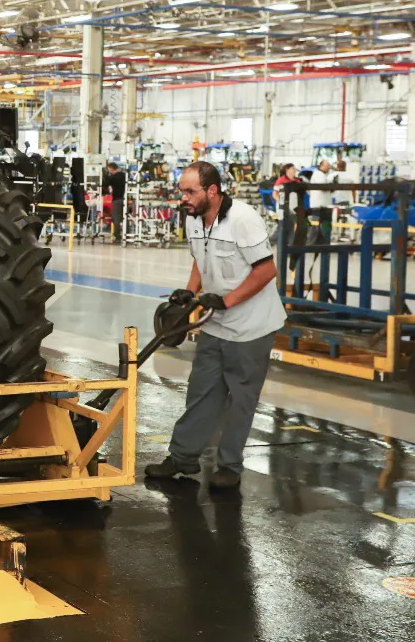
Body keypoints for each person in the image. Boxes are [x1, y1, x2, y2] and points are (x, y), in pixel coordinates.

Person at [145, 161, 286, 489]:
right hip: (215, 323)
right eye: (182, 191)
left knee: (240, 399)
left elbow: (266, 271)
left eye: (190, 191)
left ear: (213, 190)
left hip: (251, 327)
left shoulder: (243, 219)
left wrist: (227, 301)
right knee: (200, 391)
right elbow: (201, 258)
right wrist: (190, 292)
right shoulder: (194, 218)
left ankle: (230, 467)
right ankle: (182, 458)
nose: (184, 198)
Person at [307, 158, 338, 244]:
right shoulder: (318, 174)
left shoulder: (324, 175)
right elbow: (323, 187)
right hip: (318, 206)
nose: (329, 168)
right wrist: (331, 184)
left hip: (325, 205)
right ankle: (310, 245)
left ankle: (323, 244)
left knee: (325, 227)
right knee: (315, 227)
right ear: (322, 166)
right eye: (327, 166)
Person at [103, 161, 126, 242]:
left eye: (109, 169)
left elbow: (105, 184)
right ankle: (127, 234)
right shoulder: (124, 175)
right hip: (126, 200)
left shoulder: (113, 177)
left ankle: (117, 236)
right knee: (125, 217)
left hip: (117, 200)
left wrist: (104, 175)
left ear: (111, 169)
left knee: (116, 218)